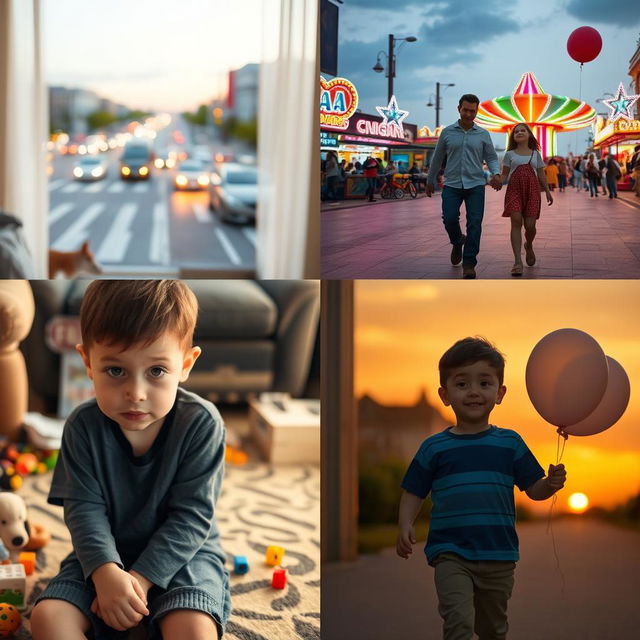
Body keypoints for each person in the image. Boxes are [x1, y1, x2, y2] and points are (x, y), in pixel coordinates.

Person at [31, 281, 230, 640]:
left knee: (195, 630)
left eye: (156, 371)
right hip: (103, 554)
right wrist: (108, 576)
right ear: (88, 363)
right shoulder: (81, 426)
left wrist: (137, 583)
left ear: (186, 364)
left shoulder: (201, 423)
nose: (135, 394)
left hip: (183, 554)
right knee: (47, 619)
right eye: (116, 370)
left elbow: (191, 517)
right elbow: (84, 511)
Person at [396, 337, 567, 640]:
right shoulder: (434, 447)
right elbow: (414, 490)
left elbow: (533, 489)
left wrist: (550, 485)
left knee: (492, 629)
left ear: (499, 393)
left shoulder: (510, 443)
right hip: (451, 553)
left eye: (484, 383)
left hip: (498, 555)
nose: (474, 391)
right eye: (462, 384)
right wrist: (405, 523)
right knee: (459, 624)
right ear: (445, 394)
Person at [426, 94, 502, 279]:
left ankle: (469, 263)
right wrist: (430, 179)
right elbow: (437, 157)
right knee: (449, 218)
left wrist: (496, 173)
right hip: (451, 183)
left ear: (476, 111)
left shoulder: (483, 134)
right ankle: (457, 240)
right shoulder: (447, 132)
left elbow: (491, 157)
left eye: (472, 111)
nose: (469, 114)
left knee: (474, 223)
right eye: (465, 110)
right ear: (459, 108)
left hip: (475, 184)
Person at [500, 123, 552, 277]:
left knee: (530, 226)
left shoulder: (535, 154)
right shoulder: (509, 154)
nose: (519, 132)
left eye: (523, 130)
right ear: (513, 136)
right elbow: (504, 175)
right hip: (514, 190)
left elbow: (541, 174)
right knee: (516, 221)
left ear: (529, 135)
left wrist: (548, 191)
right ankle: (517, 261)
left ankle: (528, 244)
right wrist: (496, 180)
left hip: (532, 191)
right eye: (516, 131)